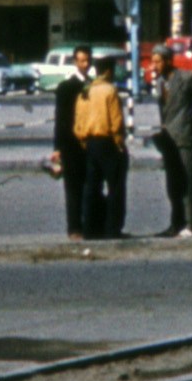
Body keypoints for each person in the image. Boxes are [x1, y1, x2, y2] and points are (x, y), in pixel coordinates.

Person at [50, 49, 130, 240]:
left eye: (87, 61)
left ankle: (91, 228)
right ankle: (78, 228)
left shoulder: (89, 87)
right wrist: (58, 148)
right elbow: (61, 120)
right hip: (75, 145)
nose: (84, 64)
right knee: (77, 189)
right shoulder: (68, 87)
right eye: (80, 61)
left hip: (86, 144)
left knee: (90, 188)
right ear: (75, 62)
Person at [152, 57, 192, 238]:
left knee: (188, 181)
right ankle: (176, 223)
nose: (155, 65)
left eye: (159, 61)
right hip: (168, 138)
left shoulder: (186, 78)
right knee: (172, 184)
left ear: (168, 62)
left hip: (185, 135)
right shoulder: (160, 82)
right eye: (154, 62)